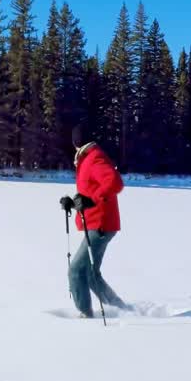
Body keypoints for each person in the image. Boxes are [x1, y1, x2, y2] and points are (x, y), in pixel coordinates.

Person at [59, 123, 129, 317]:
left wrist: (90, 199)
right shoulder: (87, 158)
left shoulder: (94, 158)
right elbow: (90, 193)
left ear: (76, 142)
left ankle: (85, 314)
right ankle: (122, 310)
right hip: (99, 223)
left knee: (76, 271)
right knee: (90, 274)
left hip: (101, 224)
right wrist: (72, 203)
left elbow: (114, 182)